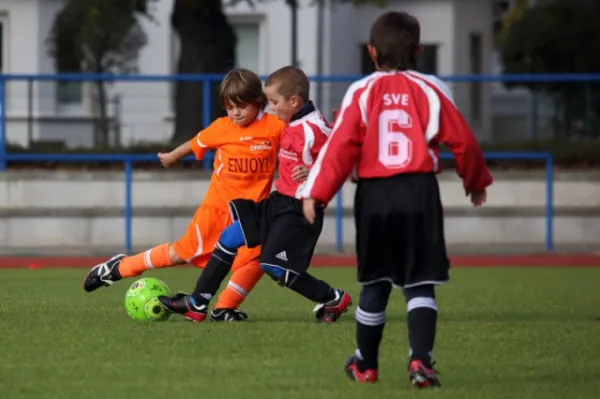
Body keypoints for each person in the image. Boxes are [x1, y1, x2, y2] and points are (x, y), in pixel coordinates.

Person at [302, 11, 493, 387]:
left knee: (375, 283)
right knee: (420, 283)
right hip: (420, 191)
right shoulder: (432, 88)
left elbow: (340, 147)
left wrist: (315, 193)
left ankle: (365, 364)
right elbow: (464, 141)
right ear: (419, 50)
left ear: (371, 52)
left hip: (375, 195)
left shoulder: (361, 91)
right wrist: (475, 181)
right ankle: (420, 362)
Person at [83, 68, 286, 322]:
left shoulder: (275, 127)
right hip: (217, 210)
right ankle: (121, 267)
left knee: (257, 260)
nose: (235, 112)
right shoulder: (221, 128)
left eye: (242, 106)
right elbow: (194, 143)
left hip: (252, 213)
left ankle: (225, 308)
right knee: (180, 254)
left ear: (259, 102)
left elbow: (301, 140)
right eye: (229, 106)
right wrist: (171, 157)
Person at [158, 65, 352, 323]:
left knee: (273, 266)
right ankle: (196, 303)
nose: (270, 108)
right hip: (279, 201)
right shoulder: (291, 121)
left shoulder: (314, 128)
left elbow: (344, 157)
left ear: (293, 102)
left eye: (274, 102)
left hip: (299, 210)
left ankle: (332, 298)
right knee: (229, 236)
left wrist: (314, 170)